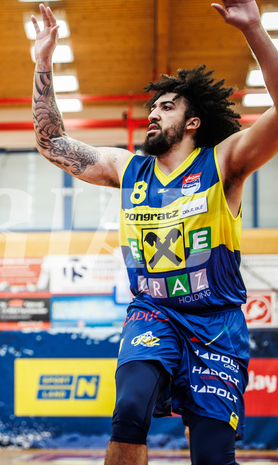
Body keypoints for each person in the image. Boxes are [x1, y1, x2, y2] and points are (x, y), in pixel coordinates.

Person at [31, 1, 276, 464]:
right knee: (128, 411)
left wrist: (254, 30)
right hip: (153, 314)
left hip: (216, 325)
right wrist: (43, 62)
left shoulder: (223, 163)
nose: (153, 113)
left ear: (192, 122)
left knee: (212, 456)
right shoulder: (129, 169)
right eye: (152, 107)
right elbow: (52, 143)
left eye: (166, 106)